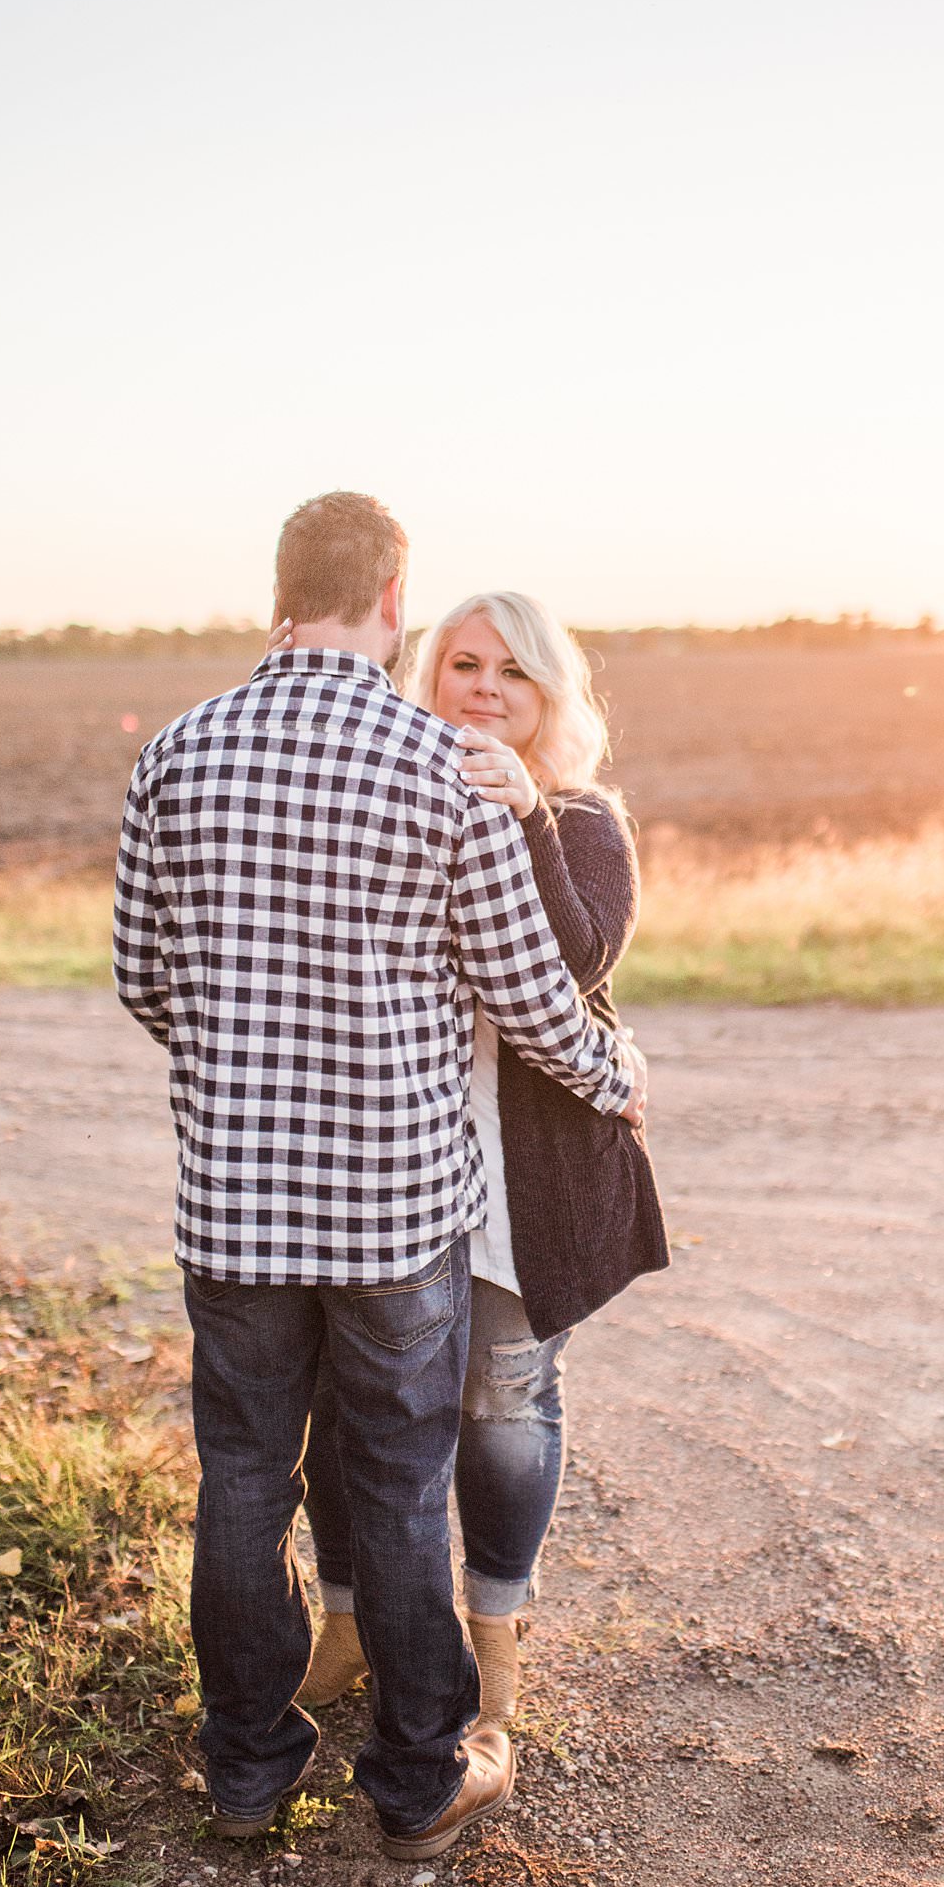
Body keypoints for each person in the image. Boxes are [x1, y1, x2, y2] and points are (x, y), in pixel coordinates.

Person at [112, 496, 645, 1861]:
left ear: (283, 588)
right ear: (395, 594)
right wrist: (610, 1074)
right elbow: (529, 993)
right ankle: (415, 1783)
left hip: (231, 1201)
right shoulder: (434, 766)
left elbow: (143, 979)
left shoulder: (176, 756)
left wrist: (245, 1061)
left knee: (242, 1479)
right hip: (394, 1211)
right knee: (403, 1484)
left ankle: (245, 1772)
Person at [300, 591, 668, 1731]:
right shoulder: (391, 795)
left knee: (504, 1402)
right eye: (463, 664)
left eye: (514, 674)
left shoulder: (585, 819)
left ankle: (494, 1641)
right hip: (393, 1157)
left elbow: (580, 959)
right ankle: (350, 1623)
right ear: (428, 674)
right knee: (350, 1403)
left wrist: (527, 827)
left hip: (528, 1174)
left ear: (548, 697)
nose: (484, 690)